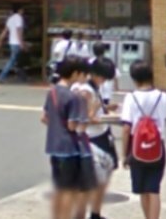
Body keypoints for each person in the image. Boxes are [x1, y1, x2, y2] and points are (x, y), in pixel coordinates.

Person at [120, 60, 166, 219]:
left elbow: (126, 128)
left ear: (134, 78)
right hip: (157, 146)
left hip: (137, 148)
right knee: (154, 189)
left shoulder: (131, 98)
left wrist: (124, 154)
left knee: (142, 190)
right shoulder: (162, 96)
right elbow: (165, 121)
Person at [41, 57, 82, 219]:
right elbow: (72, 126)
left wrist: (56, 125)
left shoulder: (52, 92)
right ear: (74, 73)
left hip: (53, 146)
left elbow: (44, 118)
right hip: (69, 148)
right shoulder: (72, 97)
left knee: (58, 188)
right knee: (69, 191)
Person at [84, 57, 119, 219]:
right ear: (94, 73)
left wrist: (107, 108)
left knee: (105, 175)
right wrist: (104, 118)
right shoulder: (85, 90)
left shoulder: (94, 87)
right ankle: (92, 213)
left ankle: (96, 213)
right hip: (92, 137)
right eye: (103, 77)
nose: (104, 81)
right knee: (97, 178)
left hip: (103, 135)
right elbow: (84, 117)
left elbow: (95, 110)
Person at [70, 58, 98, 219]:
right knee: (83, 187)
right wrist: (94, 108)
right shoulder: (85, 91)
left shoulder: (70, 89)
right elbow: (86, 117)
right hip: (81, 140)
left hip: (67, 141)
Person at [0, 4, 25, 83]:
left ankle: (22, 77)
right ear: (19, 10)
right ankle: (1, 76)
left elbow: (5, 31)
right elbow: (19, 31)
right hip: (16, 42)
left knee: (17, 60)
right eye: (22, 10)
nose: (23, 11)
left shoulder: (10, 19)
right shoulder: (19, 18)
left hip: (11, 42)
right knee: (13, 60)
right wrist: (21, 42)